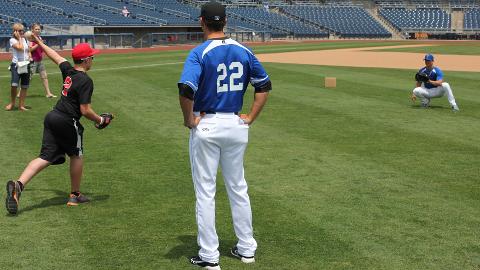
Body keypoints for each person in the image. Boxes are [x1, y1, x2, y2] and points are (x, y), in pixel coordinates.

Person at [178, 1, 272, 269]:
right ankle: (246, 249)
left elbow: (186, 88)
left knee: (206, 193)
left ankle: (210, 256)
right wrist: (251, 117)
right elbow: (264, 85)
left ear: (201, 22)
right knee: (238, 188)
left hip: (207, 124)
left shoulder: (200, 52)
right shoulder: (244, 49)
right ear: (226, 21)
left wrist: (188, 120)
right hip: (235, 124)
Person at [5, 36, 114, 215]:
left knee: (45, 157)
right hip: (67, 120)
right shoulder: (86, 80)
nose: (93, 59)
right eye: (92, 57)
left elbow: (55, 56)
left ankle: (19, 185)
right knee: (76, 155)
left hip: (52, 116)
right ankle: (75, 195)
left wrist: (39, 44)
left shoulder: (69, 71)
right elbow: (85, 110)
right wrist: (100, 120)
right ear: (86, 60)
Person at [5, 23, 31, 111]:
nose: (22, 32)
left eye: (22, 30)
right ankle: (12, 103)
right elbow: (20, 48)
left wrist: (29, 55)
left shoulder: (25, 39)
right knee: (14, 85)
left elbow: (28, 50)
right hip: (16, 65)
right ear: (15, 31)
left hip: (26, 64)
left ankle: (21, 105)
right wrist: (20, 38)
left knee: (24, 86)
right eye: (19, 31)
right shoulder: (12, 40)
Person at [29, 23, 57, 98]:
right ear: (32, 30)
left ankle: (48, 93)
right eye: (36, 29)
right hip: (33, 61)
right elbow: (30, 49)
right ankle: (19, 94)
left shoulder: (39, 38)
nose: (38, 30)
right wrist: (39, 44)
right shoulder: (30, 38)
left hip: (40, 61)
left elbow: (41, 48)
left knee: (44, 76)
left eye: (39, 29)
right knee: (29, 78)